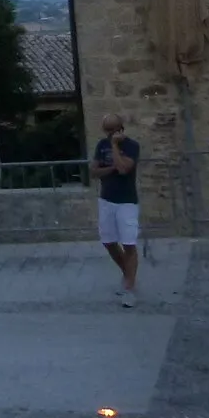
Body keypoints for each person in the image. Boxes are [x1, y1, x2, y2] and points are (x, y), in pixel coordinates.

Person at [91, 112, 141, 306]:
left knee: (129, 244)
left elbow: (123, 169)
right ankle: (127, 275)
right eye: (107, 130)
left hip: (126, 202)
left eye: (114, 130)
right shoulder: (101, 145)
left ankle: (129, 286)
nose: (111, 134)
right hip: (107, 200)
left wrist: (115, 147)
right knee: (108, 241)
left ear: (121, 129)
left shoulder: (132, 146)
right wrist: (111, 168)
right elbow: (94, 171)